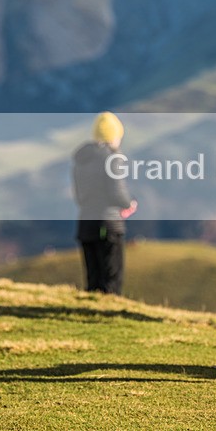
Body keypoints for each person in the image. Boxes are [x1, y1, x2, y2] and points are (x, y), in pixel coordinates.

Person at [72, 111, 137, 295]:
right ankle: (108, 309)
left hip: (85, 224)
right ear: (113, 136)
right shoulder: (112, 158)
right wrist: (128, 204)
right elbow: (116, 191)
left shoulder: (81, 160)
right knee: (111, 279)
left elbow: (79, 196)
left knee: (93, 280)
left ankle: (90, 308)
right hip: (108, 224)